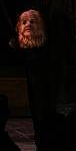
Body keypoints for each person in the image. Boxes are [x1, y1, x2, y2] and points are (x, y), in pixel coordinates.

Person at [17, 0, 75, 123]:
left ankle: (51, 132)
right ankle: (38, 130)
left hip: (55, 57)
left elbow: (69, 27)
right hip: (33, 56)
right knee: (36, 97)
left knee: (53, 98)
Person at [10, 10, 50, 142]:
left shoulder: (45, 49)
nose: (28, 25)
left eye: (32, 22)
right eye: (24, 22)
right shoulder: (16, 47)